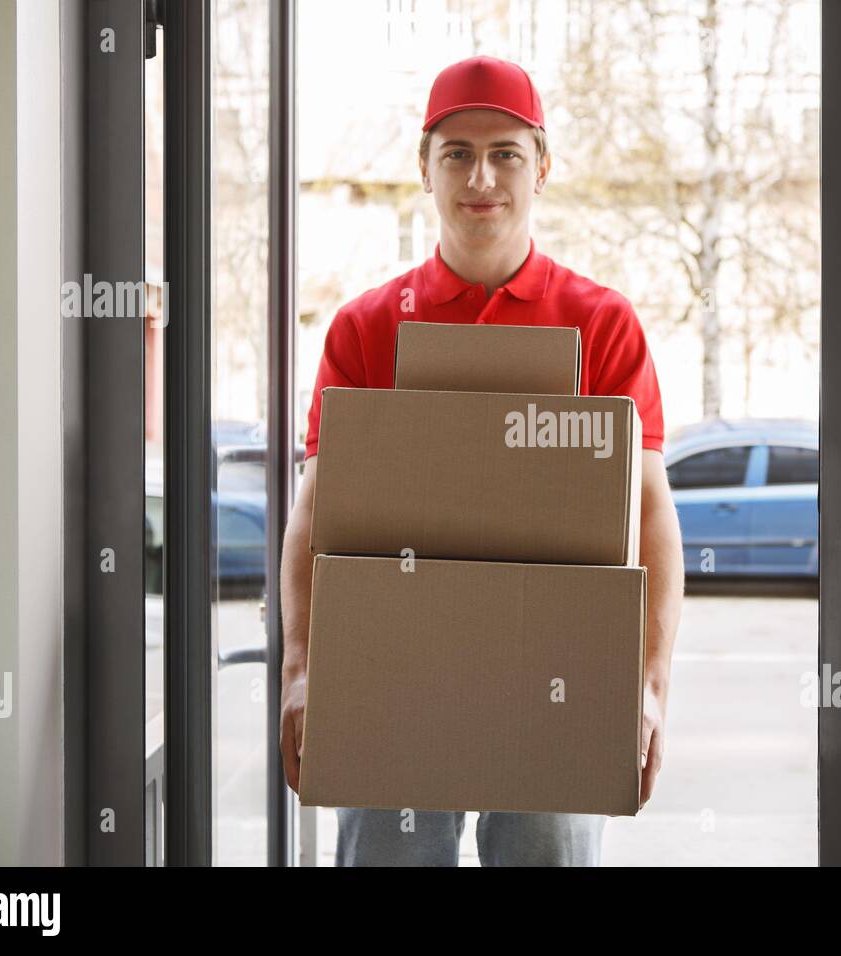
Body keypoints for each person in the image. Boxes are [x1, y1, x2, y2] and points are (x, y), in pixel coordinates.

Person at [278, 55, 684, 866]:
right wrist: (300, 669)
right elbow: (315, 513)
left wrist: (644, 688)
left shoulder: (601, 325)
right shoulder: (365, 328)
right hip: (390, 678)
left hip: (557, 681)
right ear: (424, 169)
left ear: (542, 166)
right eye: (456, 153)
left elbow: (648, 514)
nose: (481, 176)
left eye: (504, 151)